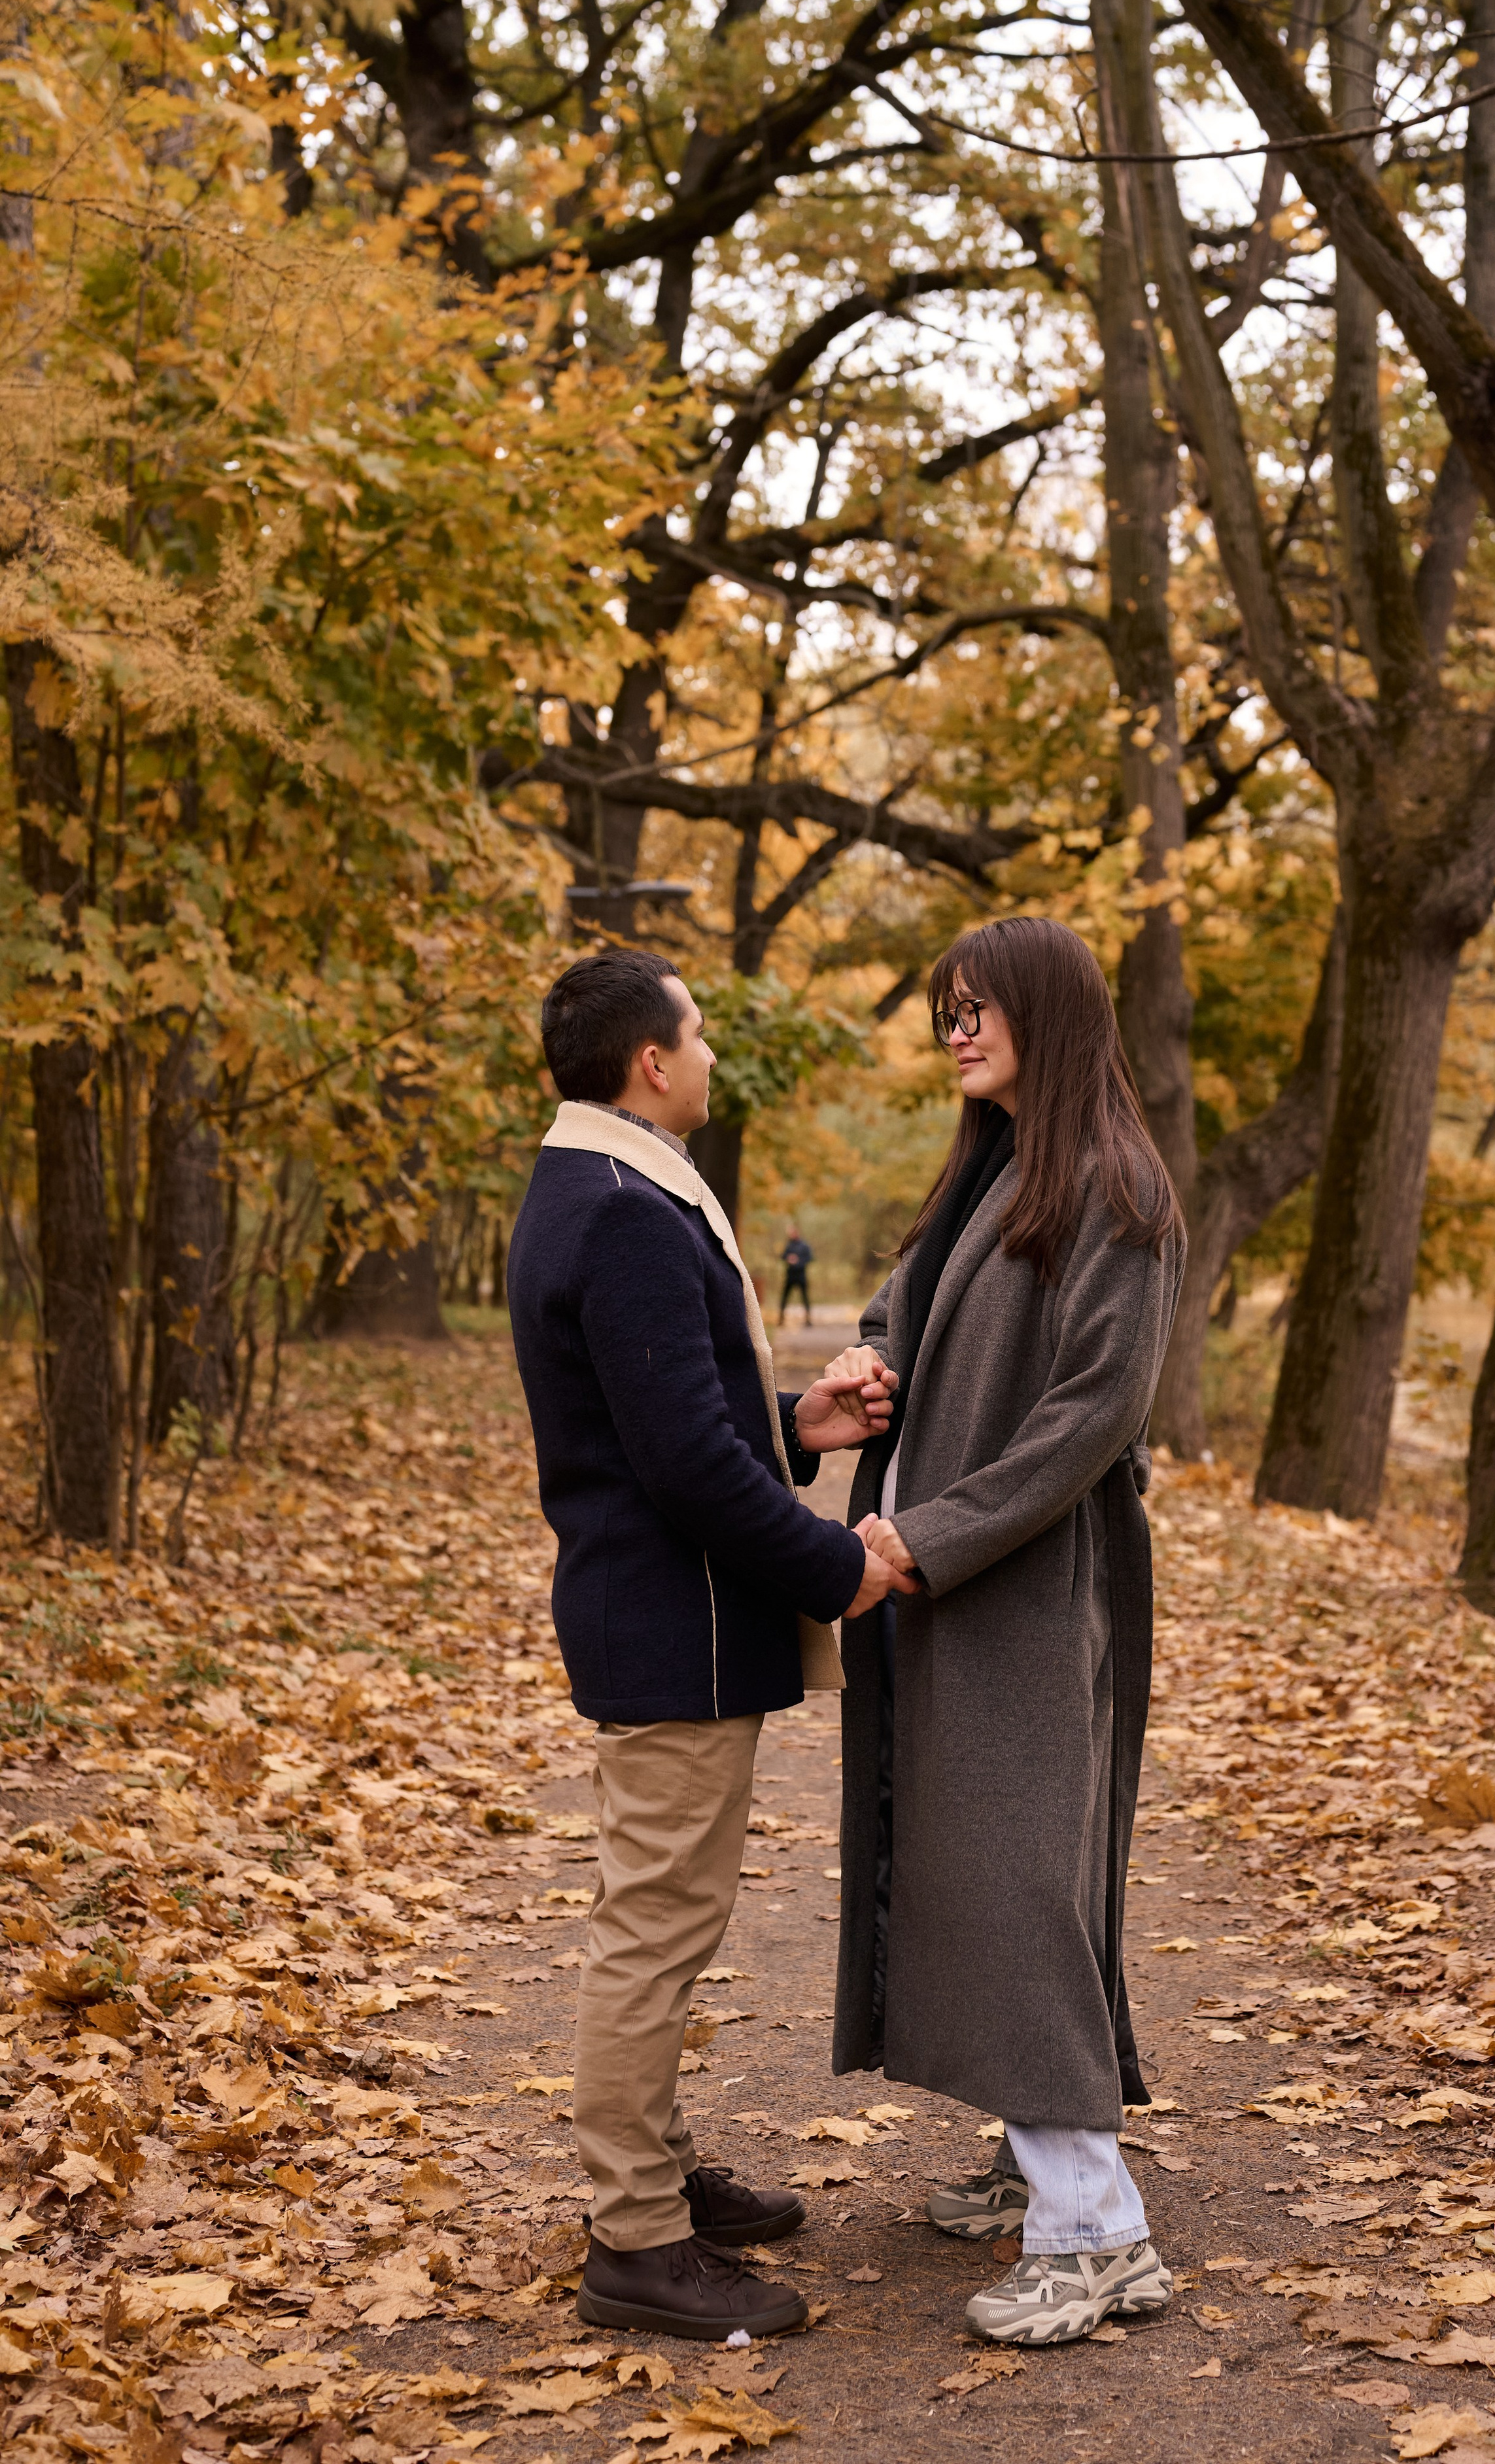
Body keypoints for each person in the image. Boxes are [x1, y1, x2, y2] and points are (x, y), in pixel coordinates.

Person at [506, 948, 910, 2342]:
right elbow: (676, 1467)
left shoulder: (605, 1185)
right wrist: (835, 1562)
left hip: (662, 1602)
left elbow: (667, 1419)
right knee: (656, 1927)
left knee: (667, 1917)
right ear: (650, 1062)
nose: (712, 1052)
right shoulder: (619, 1207)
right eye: (699, 1032)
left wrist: (798, 1424)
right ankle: (632, 2236)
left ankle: (656, 2170)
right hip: (663, 1612)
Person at [821, 916, 1185, 2349]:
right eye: (943, 1011)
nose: (953, 1031)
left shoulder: (1116, 1186)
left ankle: (1095, 2234)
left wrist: (929, 1534)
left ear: (1048, 1011)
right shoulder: (997, 1166)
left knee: (1018, 1872)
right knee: (973, 1862)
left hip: (1027, 1586)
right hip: (951, 1589)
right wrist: (868, 1353)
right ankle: (1031, 2159)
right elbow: (916, 1305)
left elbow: (1091, 1411)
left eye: (975, 1009)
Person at [779, 1226, 814, 1326]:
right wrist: (788, 1259)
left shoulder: (804, 1246)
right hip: (790, 1276)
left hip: (801, 1276)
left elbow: (810, 1258)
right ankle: (781, 1319)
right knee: (785, 1298)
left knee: (805, 1298)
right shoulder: (789, 1246)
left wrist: (798, 1262)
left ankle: (808, 1319)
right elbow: (783, 1256)